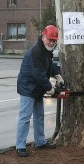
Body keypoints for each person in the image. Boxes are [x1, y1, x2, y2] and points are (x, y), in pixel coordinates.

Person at [15, 25, 65, 157]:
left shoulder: (46, 50)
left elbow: (49, 65)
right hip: (28, 87)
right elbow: (38, 74)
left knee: (39, 116)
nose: (51, 42)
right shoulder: (37, 51)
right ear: (43, 37)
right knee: (25, 117)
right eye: (49, 39)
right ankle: (20, 146)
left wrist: (57, 74)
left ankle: (40, 142)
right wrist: (50, 89)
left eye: (54, 41)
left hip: (37, 88)